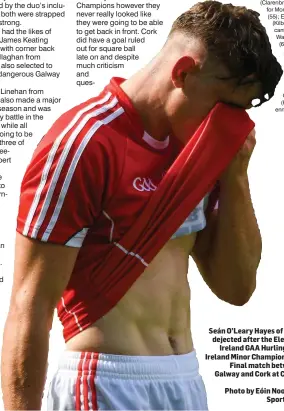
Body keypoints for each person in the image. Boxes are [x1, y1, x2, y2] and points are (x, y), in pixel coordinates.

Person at [1, 1, 282, 410]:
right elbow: (30, 304)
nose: (231, 125)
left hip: (185, 381)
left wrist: (235, 175)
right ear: (183, 73)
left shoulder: (199, 149)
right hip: (106, 382)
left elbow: (236, 290)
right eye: (225, 107)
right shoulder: (84, 144)